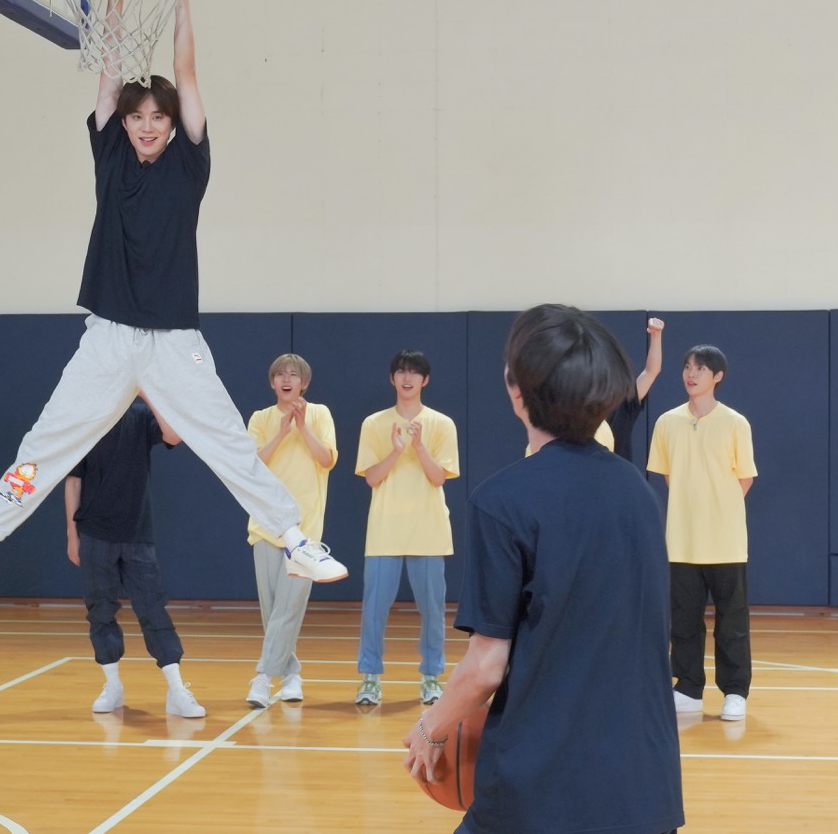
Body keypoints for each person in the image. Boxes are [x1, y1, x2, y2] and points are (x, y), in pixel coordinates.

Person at [0, 0, 346, 587]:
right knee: (48, 442)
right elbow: (110, 74)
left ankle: (297, 541)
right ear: (124, 123)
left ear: (172, 125)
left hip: (173, 342)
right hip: (109, 339)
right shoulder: (110, 153)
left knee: (229, 444)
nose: (146, 126)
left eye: (158, 118)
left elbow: (187, 72)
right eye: (137, 117)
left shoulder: (190, 164)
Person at [403, 304, 683, 834]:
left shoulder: (502, 501)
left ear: (517, 391)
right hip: (645, 786)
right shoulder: (638, 493)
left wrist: (430, 727)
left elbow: (486, 667)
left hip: (543, 786)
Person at [62, 398, 206, 718]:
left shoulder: (140, 414)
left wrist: (147, 393)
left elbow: (174, 435)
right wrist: (72, 534)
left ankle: (177, 690)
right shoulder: (85, 416)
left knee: (153, 610)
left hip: (137, 533)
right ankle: (112, 686)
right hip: (94, 532)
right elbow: (73, 480)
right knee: (100, 612)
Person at [648, 344, 757, 722]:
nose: (691, 374)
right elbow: (668, 475)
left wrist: (717, 509)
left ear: (717, 376)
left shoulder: (735, 423)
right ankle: (688, 688)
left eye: (700, 369)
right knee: (683, 620)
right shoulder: (667, 422)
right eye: (687, 367)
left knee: (732, 621)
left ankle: (735, 692)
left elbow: (745, 478)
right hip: (682, 539)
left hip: (726, 541)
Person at [354, 350, 459, 707]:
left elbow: (438, 478)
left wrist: (419, 447)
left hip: (428, 530)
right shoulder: (374, 423)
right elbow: (371, 478)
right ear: (392, 379)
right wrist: (397, 451)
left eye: (414, 372)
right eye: (401, 371)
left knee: (433, 610)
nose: (407, 377)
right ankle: (370, 679)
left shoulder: (442, 424)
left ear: (425, 380)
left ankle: (431, 677)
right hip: (384, 530)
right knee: (374, 610)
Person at [244, 354, 337, 708]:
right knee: (273, 612)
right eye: (280, 375)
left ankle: (262, 678)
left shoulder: (320, 414)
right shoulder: (260, 419)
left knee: (288, 607)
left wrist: (302, 427)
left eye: (293, 375)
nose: (286, 379)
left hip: (305, 531)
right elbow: (252, 464)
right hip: (265, 526)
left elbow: (327, 459)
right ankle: (291, 674)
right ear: (272, 383)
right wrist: (283, 431)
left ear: (304, 383)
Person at [608, 316, 666, 462]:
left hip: (618, 474)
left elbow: (651, 371)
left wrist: (656, 335)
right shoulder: (574, 409)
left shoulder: (624, 404)